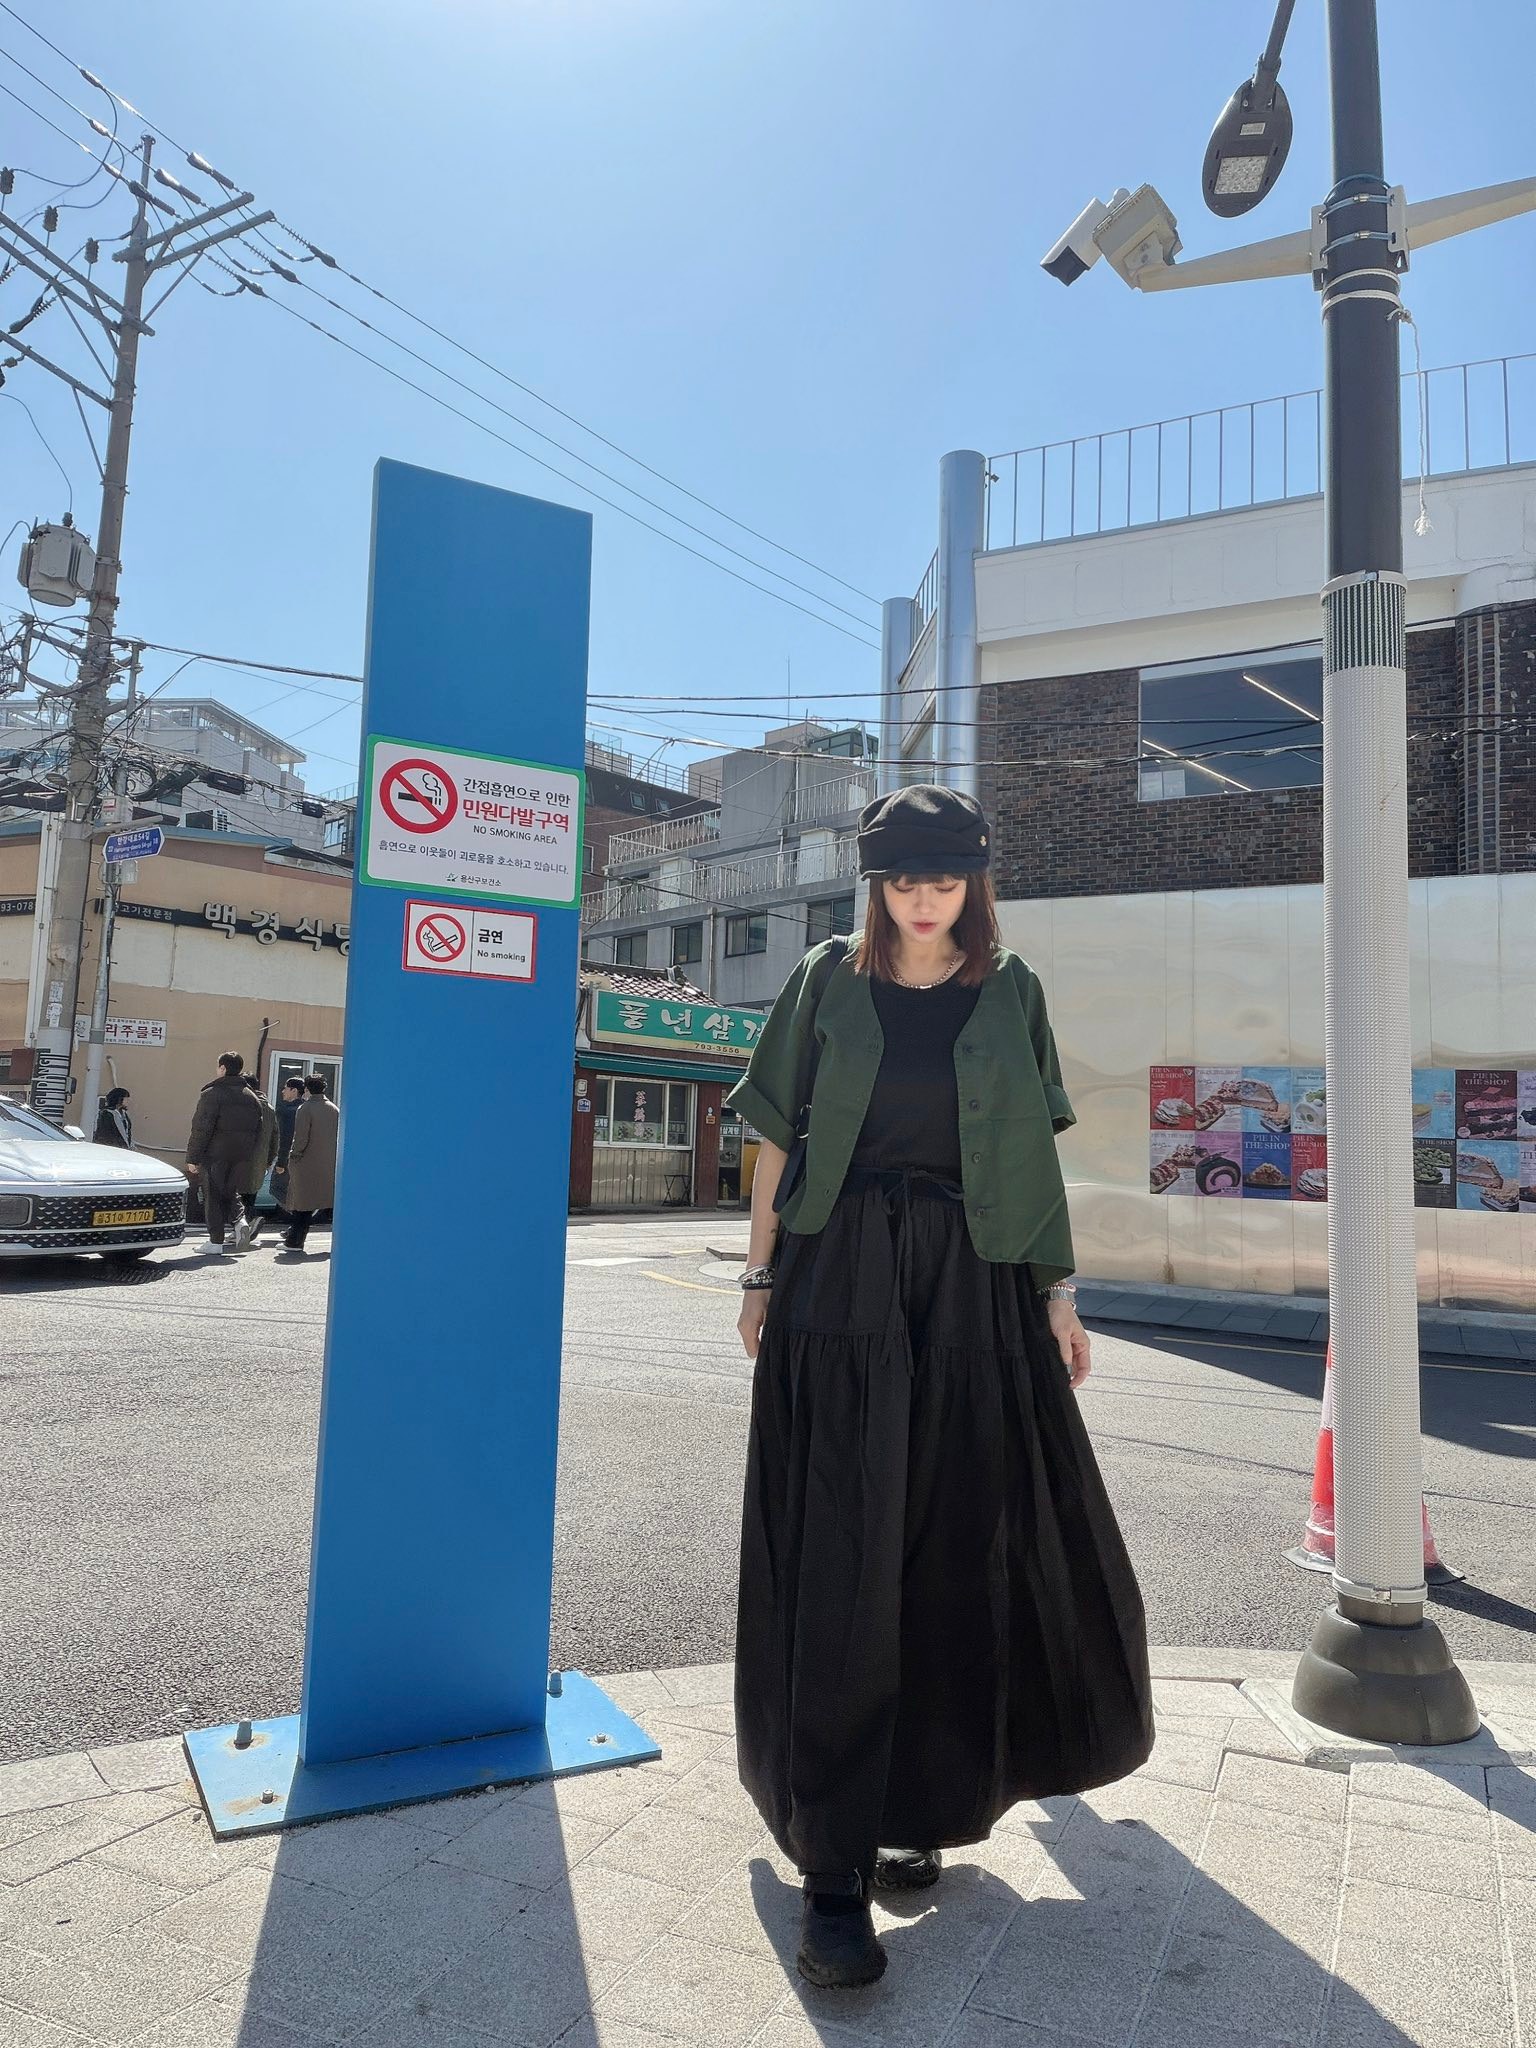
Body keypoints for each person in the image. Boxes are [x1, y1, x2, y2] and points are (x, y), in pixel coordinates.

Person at [726, 784, 1153, 1991]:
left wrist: (1058, 1294)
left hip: (975, 1280)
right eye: (904, 879)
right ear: (877, 885)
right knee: (842, 1547)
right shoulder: (826, 977)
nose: (924, 899)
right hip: (841, 1275)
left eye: (945, 878)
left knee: (957, 1542)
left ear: (976, 882)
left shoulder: (1011, 990)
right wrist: (758, 1272)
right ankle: (831, 1864)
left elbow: (1027, 1153)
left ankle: (915, 1800)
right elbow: (774, 1132)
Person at [186, 1051, 265, 1254]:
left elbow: (201, 1128)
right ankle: (240, 1221)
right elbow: (259, 1130)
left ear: (222, 1068)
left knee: (213, 1195)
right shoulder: (251, 1097)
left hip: (215, 1154)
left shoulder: (211, 1094)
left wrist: (193, 1157)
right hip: (242, 1155)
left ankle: (215, 1241)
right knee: (230, 1191)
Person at [280, 1072, 338, 1253]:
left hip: (306, 1162)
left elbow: (301, 1138)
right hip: (329, 1163)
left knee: (302, 1203)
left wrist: (293, 1155)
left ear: (306, 1089)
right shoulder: (334, 1109)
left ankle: (295, 1241)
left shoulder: (305, 1108)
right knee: (328, 1203)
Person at [235, 1075, 280, 1249]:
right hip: (260, 1160)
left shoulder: (247, 1105)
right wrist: (269, 1160)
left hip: (242, 1158)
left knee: (236, 1195)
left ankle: (246, 1224)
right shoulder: (269, 1108)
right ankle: (249, 1222)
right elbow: (275, 1136)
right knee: (250, 1195)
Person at [269, 1076, 305, 1225]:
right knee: (294, 1190)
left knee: (276, 1188)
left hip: (289, 1157)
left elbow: (285, 1138)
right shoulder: (305, 1109)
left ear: (294, 1090)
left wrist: (281, 1162)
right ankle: (298, 1218)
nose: (283, 1091)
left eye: (285, 1088)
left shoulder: (287, 1112)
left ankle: (296, 1217)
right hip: (303, 1157)